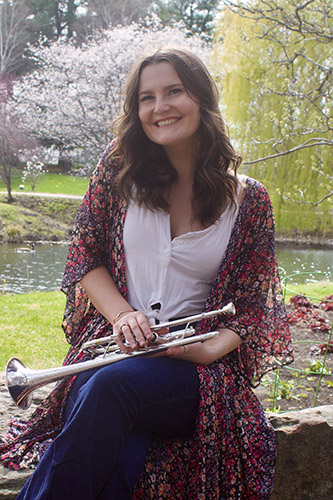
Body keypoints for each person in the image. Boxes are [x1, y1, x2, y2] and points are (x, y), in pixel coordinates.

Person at [0, 48, 293, 499]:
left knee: (110, 389)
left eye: (174, 91)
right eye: (146, 97)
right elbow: (85, 256)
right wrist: (122, 316)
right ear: (136, 111)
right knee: (113, 414)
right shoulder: (119, 171)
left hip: (199, 373)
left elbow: (256, 307)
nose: (160, 108)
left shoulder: (249, 200)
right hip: (119, 348)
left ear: (201, 98)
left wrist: (207, 350)